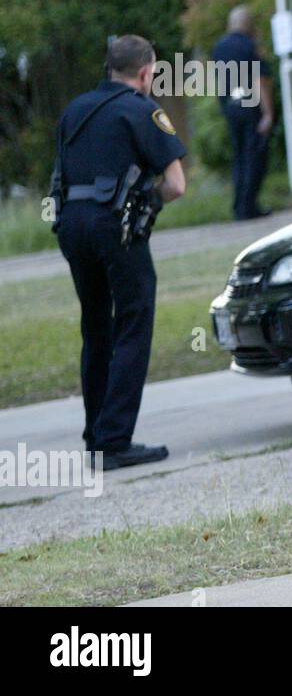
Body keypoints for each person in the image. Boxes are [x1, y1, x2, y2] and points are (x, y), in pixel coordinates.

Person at [53, 35, 187, 470]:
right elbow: (176, 184)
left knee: (95, 325)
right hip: (115, 228)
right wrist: (146, 203)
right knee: (132, 321)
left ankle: (97, 435)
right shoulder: (144, 110)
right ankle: (115, 441)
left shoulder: (75, 109)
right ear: (146, 72)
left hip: (72, 224)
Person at [212, 6, 274, 220]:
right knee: (253, 157)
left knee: (238, 158)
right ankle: (249, 207)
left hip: (231, 107)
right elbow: (260, 80)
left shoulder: (219, 48)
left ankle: (239, 206)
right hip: (250, 107)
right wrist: (267, 113)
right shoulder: (250, 47)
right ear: (248, 25)